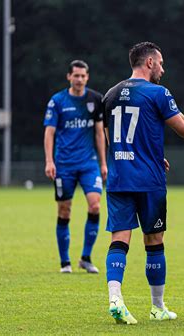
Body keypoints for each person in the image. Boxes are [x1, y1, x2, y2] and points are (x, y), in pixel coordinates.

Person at [102, 41, 184, 324]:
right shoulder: (158, 93)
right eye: (160, 62)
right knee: (154, 240)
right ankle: (157, 306)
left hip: (118, 177)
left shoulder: (111, 94)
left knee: (119, 239)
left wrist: (146, 153)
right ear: (149, 62)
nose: (163, 68)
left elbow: (111, 135)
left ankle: (115, 298)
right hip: (147, 181)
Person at [43, 60, 106, 274]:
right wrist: (50, 161)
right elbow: (49, 133)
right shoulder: (58, 101)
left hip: (88, 164)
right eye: (76, 76)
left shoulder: (95, 99)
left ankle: (86, 258)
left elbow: (99, 133)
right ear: (69, 77)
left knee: (95, 205)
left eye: (83, 76)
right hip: (64, 165)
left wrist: (104, 162)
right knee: (64, 210)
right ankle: (65, 262)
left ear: (87, 77)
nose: (79, 79)